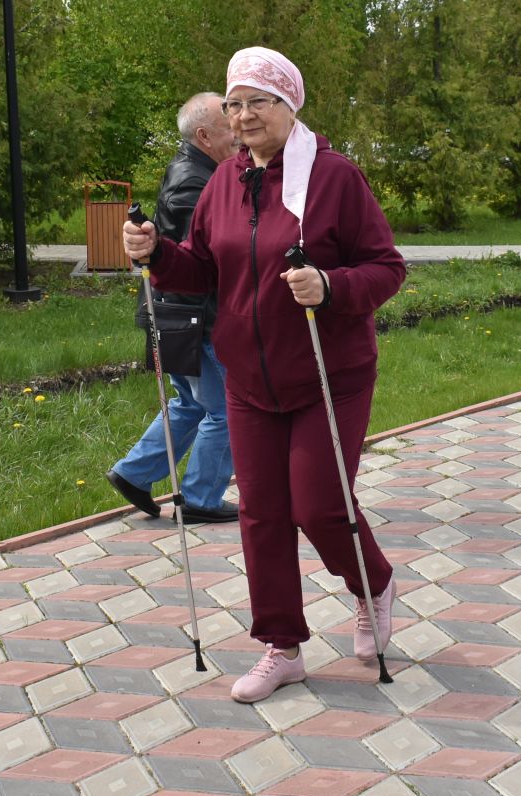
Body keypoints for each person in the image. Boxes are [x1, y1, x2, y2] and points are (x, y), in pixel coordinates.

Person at [123, 47, 406, 703]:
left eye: (258, 101)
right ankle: (282, 647)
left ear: (290, 106)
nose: (243, 115)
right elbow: (202, 267)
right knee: (263, 515)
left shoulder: (335, 178)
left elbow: (387, 268)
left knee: (320, 506)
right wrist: (157, 253)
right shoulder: (225, 181)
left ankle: (374, 584)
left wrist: (329, 285)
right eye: (233, 103)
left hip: (328, 372)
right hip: (249, 375)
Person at [108, 93, 240, 524]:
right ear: (203, 136)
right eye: (228, 129)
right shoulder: (193, 183)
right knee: (225, 411)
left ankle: (134, 473)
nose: (238, 134)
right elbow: (204, 256)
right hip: (194, 319)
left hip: (181, 316)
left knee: (190, 404)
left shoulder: (201, 170)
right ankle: (201, 498)